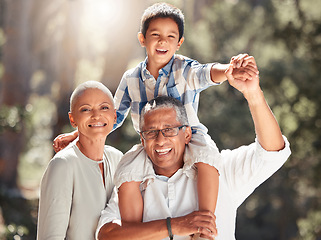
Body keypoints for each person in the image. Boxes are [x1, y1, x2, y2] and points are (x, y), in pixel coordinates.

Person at [53, 2, 257, 233]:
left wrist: (228, 70)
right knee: (127, 169)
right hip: (149, 139)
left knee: (208, 158)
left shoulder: (184, 69)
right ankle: (137, 231)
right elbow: (115, 115)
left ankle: (204, 226)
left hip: (188, 135)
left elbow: (207, 73)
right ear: (142, 39)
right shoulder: (131, 78)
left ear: (179, 43)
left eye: (171, 36)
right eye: (155, 35)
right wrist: (78, 133)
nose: (163, 41)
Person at [95, 60, 291, 240]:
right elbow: (107, 234)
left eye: (169, 130)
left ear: (187, 134)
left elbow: (272, 152)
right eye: (151, 132)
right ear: (142, 139)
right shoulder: (132, 178)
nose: (161, 140)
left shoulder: (219, 168)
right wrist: (174, 226)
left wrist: (253, 94)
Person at [37, 81, 123, 239]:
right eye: (86, 109)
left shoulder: (118, 159)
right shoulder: (62, 165)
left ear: (115, 115)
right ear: (72, 119)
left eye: (104, 107)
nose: (96, 115)